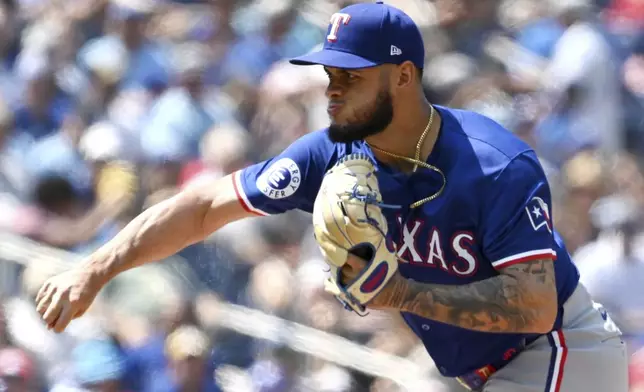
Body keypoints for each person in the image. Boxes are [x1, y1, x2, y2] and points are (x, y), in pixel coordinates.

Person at [35, 2, 628, 391]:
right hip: (483, 371)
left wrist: (400, 291)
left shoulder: (494, 163)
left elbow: (534, 308)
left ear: (403, 77)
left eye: (352, 76)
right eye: (330, 75)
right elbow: (203, 206)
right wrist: (96, 266)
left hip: (560, 353)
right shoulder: (331, 153)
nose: (333, 90)